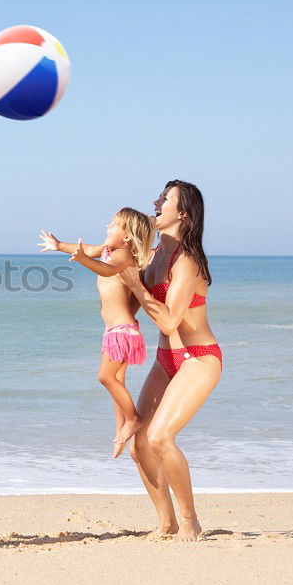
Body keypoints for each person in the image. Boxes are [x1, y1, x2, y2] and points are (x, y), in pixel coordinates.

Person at [117, 180, 221, 541]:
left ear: (183, 214)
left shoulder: (187, 261)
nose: (156, 201)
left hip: (199, 358)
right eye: (159, 196)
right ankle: (167, 522)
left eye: (165, 199)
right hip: (167, 358)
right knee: (139, 443)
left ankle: (190, 520)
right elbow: (131, 303)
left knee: (161, 437)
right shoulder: (154, 256)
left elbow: (168, 320)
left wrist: (135, 285)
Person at [38, 208, 155, 457]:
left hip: (122, 330)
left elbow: (106, 270)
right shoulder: (108, 251)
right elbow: (86, 249)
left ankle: (133, 419)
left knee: (105, 377)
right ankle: (120, 430)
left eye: (114, 225)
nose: (107, 227)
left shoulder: (123, 255)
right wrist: (59, 245)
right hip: (114, 330)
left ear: (126, 236)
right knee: (117, 382)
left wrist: (82, 260)